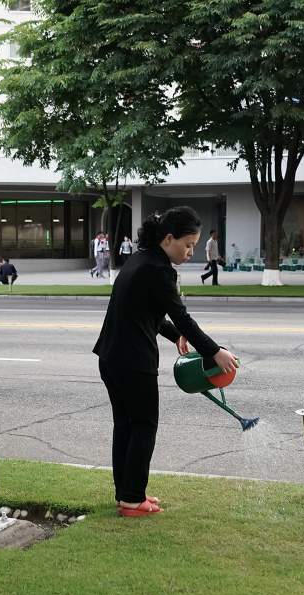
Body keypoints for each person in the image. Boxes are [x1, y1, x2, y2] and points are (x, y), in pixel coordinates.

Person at [93, 207, 239, 517]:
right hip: (134, 361)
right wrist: (214, 352)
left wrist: (175, 336)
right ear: (168, 238)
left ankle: (127, 493)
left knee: (126, 426)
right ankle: (133, 500)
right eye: (187, 245)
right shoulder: (159, 270)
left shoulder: (140, 260)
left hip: (111, 357)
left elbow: (149, 312)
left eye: (194, 246)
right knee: (144, 426)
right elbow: (182, 317)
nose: (190, 252)